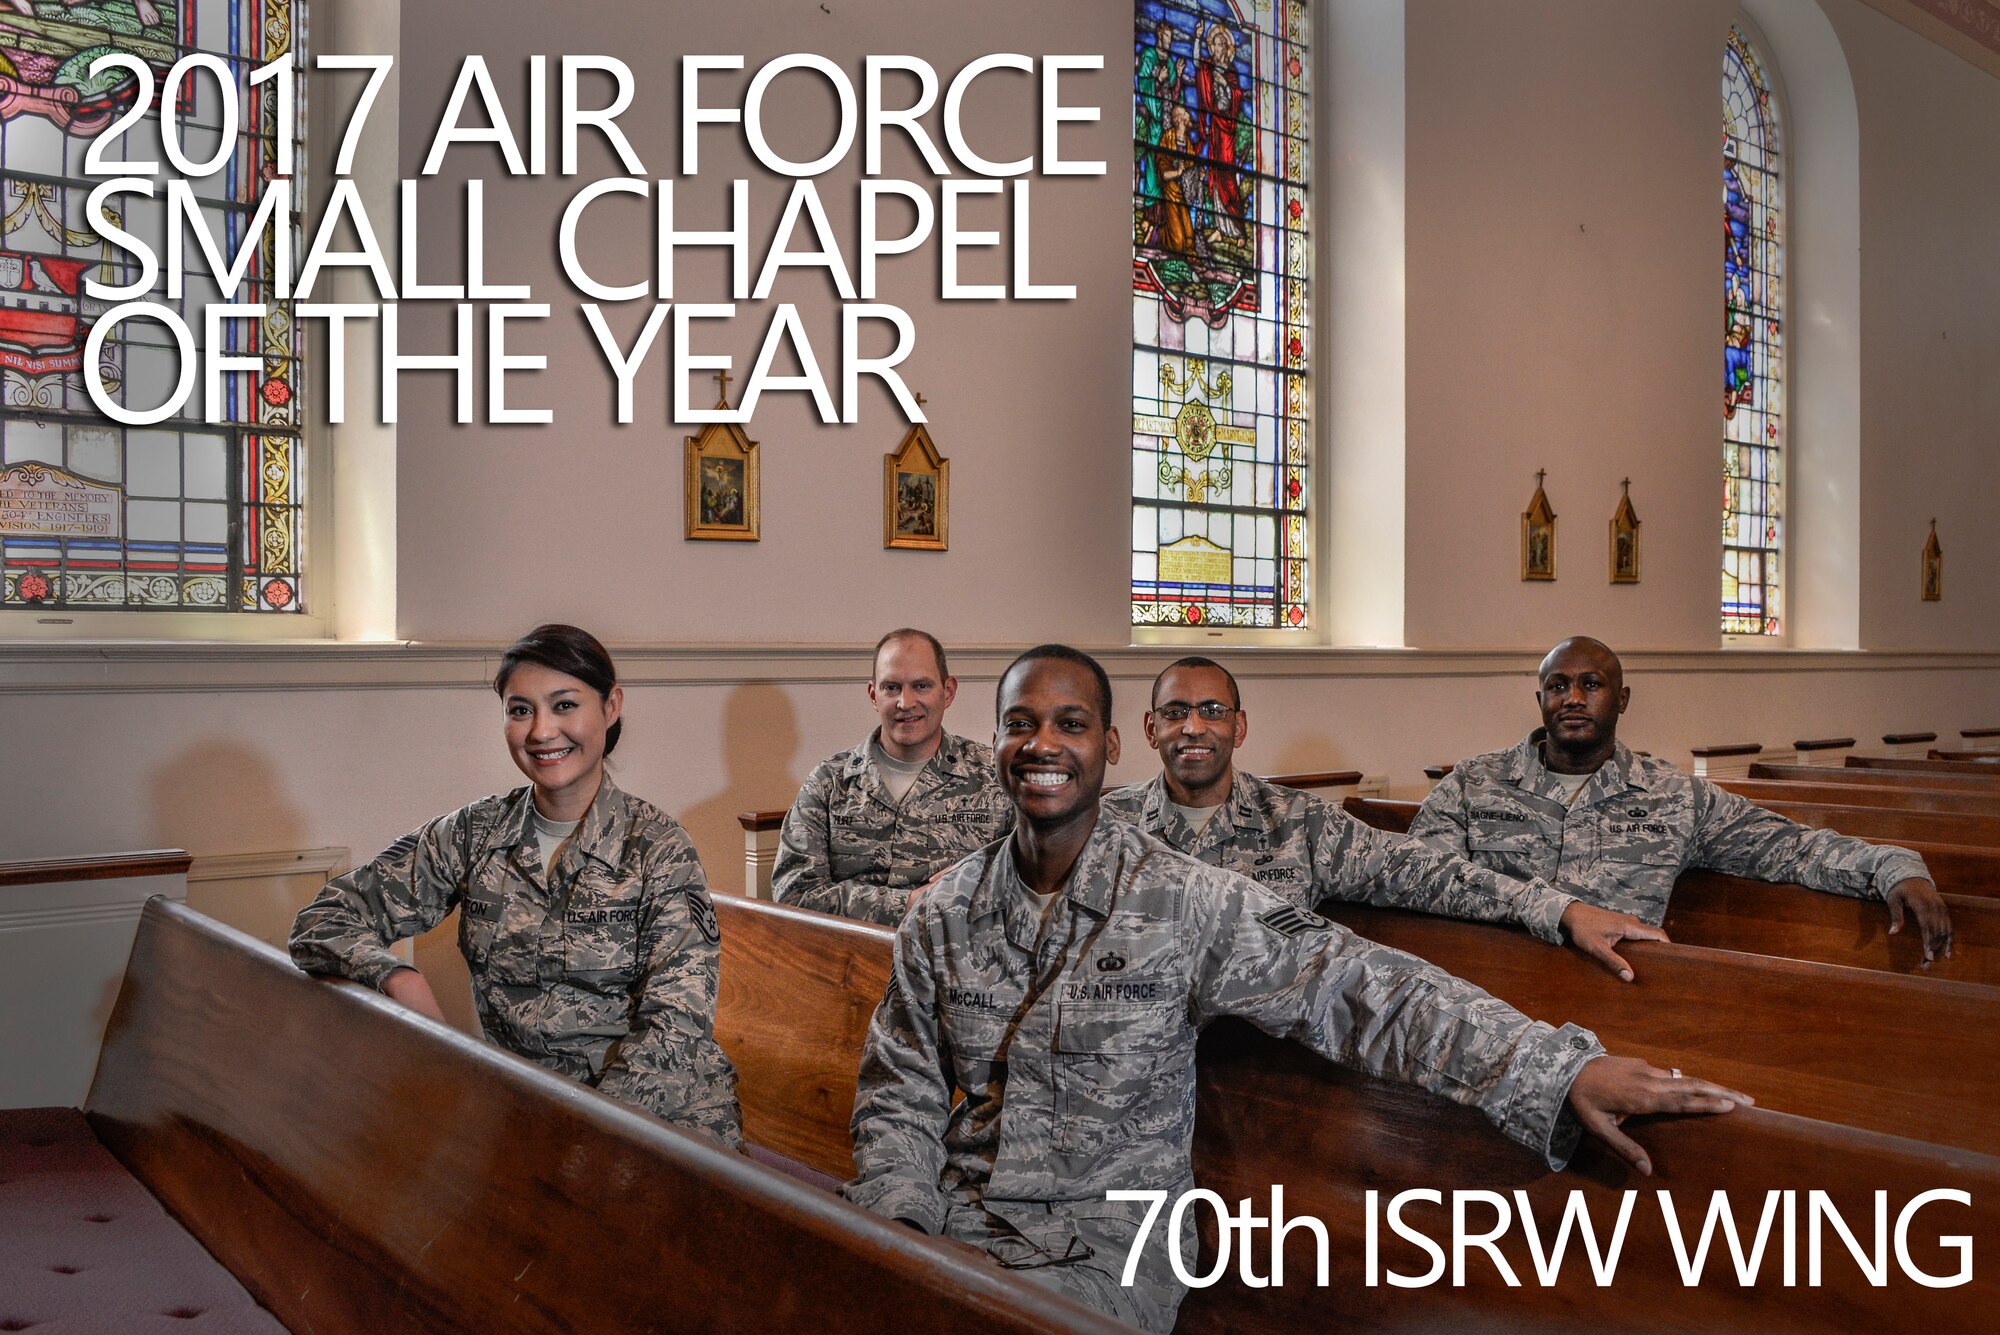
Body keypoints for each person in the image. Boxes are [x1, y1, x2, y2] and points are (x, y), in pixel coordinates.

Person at [846, 645, 1749, 1334]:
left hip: (1104, 1243)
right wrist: (899, 1228)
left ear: (1108, 744)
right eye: (1019, 724)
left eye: (1070, 724)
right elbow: (901, 1088)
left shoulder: (1187, 899)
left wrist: (1557, 1070)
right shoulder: (948, 909)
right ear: (995, 740)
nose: (1042, 744)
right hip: (959, 1223)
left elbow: (1365, 988)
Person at [289, 624, 741, 1146]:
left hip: (657, 1116)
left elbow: (676, 1025)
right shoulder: (473, 834)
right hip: (522, 1106)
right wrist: (396, 978)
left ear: (611, 706)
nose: (542, 732)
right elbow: (325, 919)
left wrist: (581, 1135)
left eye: (565, 705)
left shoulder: (657, 847)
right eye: (520, 710)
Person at [1101, 656, 1667, 980]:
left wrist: (1558, 909)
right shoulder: (1102, 828)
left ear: (1239, 727)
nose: (1194, 728)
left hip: (1259, 1059)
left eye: (1212, 712)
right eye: (1175, 713)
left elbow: (1424, 872)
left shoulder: (1301, 825)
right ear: (1151, 730)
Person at [1411, 635, 1954, 962]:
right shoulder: (1471, 784)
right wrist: (1554, 913)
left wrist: (1894, 866)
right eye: (1558, 686)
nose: (1573, 698)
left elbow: (1791, 847)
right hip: (1490, 992)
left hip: (1615, 998)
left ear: (1621, 699)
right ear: (1540, 700)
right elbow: (1419, 880)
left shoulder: (1675, 798)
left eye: (1591, 684)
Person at [772, 628, 1013, 925]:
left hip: (960, 963)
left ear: (948, 691)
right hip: (852, 963)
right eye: (892, 688)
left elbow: (1033, 880)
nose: (905, 702)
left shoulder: (995, 777)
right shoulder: (829, 783)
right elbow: (794, 895)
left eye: (921, 686)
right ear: (874, 694)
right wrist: (908, 904)